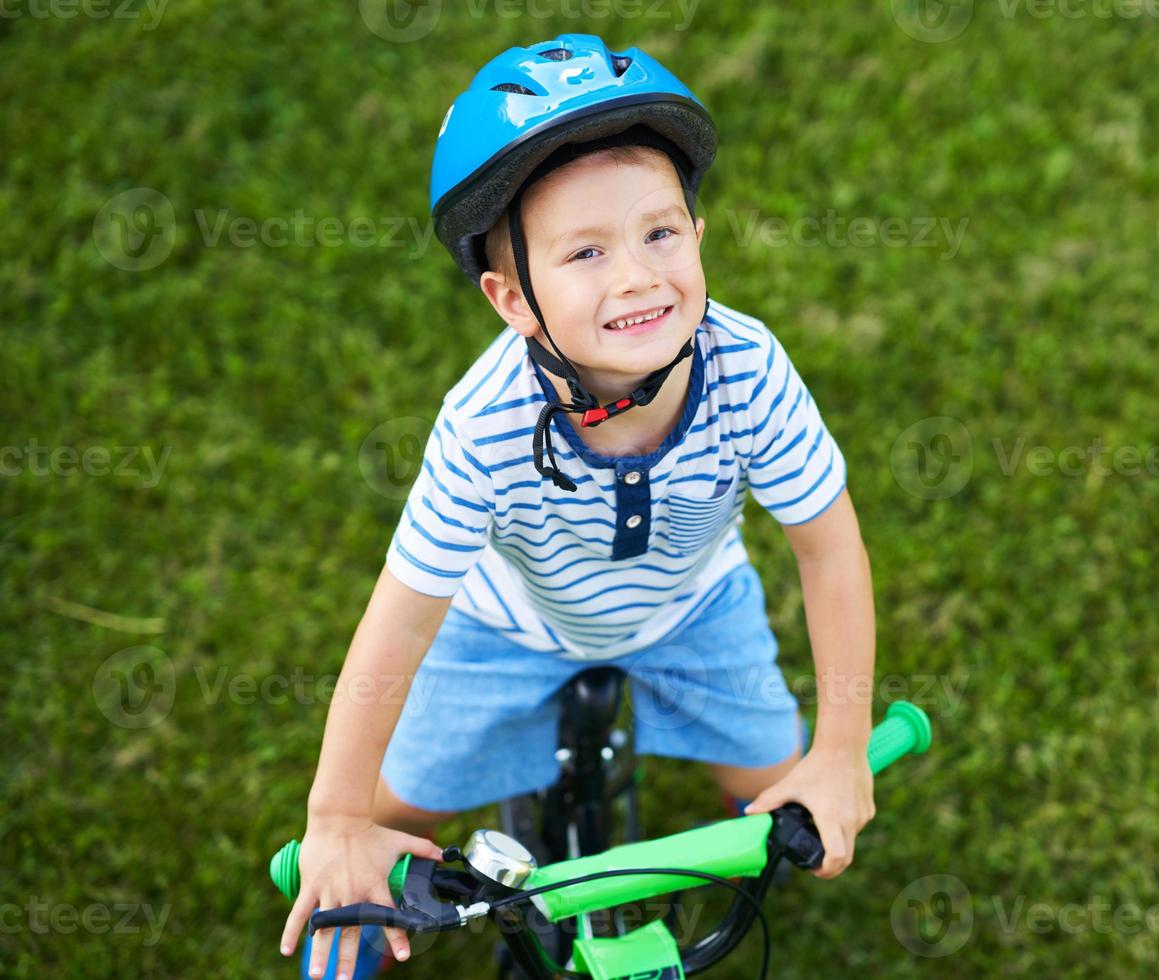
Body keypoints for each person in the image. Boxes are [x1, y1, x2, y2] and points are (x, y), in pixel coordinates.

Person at [279, 34, 876, 980]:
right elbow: (398, 621)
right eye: (586, 251)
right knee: (396, 814)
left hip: (694, 607)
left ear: (698, 234)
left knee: (781, 786)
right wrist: (337, 817)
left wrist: (842, 751)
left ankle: (757, 817)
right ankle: (355, 904)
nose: (638, 275)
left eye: (660, 232)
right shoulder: (483, 425)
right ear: (513, 299)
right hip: (506, 624)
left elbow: (829, 548)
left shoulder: (750, 369)